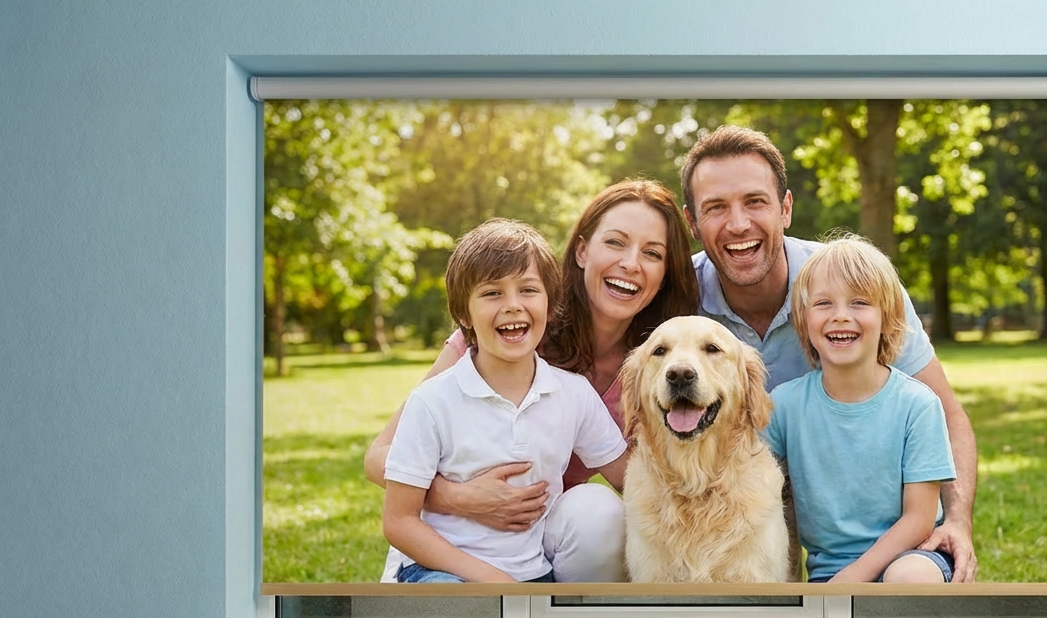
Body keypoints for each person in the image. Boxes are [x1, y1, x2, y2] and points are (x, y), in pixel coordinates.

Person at [679, 125, 980, 582]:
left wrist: (957, 520)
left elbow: (950, 417)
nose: (738, 224)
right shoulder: (676, 302)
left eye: (755, 202)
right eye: (716, 208)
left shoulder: (849, 284)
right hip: (761, 507)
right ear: (692, 223)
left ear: (786, 208)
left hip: (890, 539)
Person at [364, 180, 700, 581]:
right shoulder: (482, 345)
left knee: (599, 512)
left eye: (652, 253)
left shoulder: (659, 361)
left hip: (542, 536)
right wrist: (461, 497)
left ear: (665, 272)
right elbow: (379, 458)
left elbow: (634, 479)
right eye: (615, 242)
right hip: (454, 543)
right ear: (581, 251)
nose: (631, 263)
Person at [382, 218, 630, 583]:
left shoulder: (573, 394)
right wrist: (494, 583)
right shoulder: (432, 401)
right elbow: (399, 521)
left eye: (528, 290)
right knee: (463, 612)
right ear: (464, 314)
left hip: (534, 573)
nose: (513, 305)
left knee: (600, 510)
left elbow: (630, 479)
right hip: (443, 572)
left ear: (550, 304)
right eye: (492, 293)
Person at [765, 236, 957, 583]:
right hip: (828, 573)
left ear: (888, 317)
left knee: (907, 578)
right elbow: (758, 492)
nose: (840, 317)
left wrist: (851, 581)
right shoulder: (784, 405)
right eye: (823, 303)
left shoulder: (918, 404)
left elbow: (919, 520)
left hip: (914, 557)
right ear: (803, 320)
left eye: (859, 303)